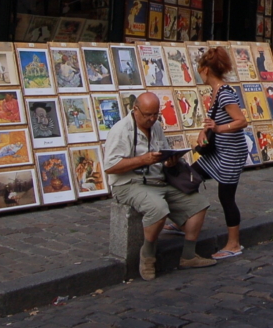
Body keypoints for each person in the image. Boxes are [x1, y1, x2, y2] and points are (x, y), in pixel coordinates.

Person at [105, 91, 214, 280]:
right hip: (129, 183)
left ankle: (188, 255)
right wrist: (142, 160)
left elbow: (161, 154)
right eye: (148, 115)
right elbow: (111, 167)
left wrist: (169, 161)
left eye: (155, 114)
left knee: (198, 204)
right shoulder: (121, 130)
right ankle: (147, 255)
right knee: (158, 208)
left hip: (157, 180)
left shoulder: (156, 127)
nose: (152, 119)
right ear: (135, 110)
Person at [195, 46, 250, 259]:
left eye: (199, 68)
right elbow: (214, 117)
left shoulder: (225, 94)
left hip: (230, 153)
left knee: (226, 196)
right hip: (218, 151)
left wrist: (218, 129)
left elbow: (241, 121)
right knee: (190, 176)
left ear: (206, 70)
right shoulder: (217, 91)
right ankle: (184, 222)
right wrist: (205, 130)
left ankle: (233, 244)